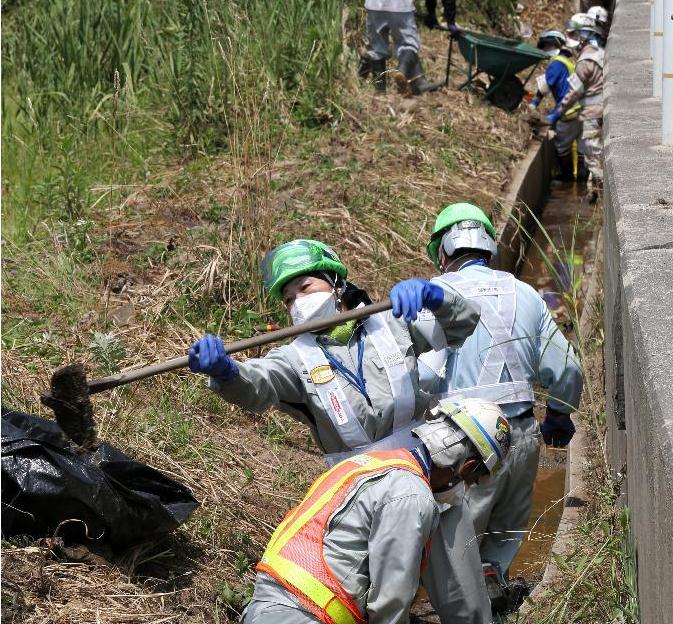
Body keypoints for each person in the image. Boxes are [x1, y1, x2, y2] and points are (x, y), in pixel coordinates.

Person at [189, 239, 489, 623]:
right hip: (362, 499)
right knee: (375, 596)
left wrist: (435, 297)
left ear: (336, 282)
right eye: (288, 297)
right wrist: (225, 371)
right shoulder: (294, 358)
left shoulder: (392, 323)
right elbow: (256, 385)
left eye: (306, 286)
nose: (297, 300)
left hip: (433, 473)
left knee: (463, 596)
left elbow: (462, 325)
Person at [418, 203, 584, 579]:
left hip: (462, 441)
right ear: (489, 247)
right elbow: (567, 365)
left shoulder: (433, 295)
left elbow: (420, 378)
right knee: (504, 538)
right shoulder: (524, 293)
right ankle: (494, 590)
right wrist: (559, 414)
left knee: (455, 549)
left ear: (442, 252)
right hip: (522, 435)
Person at [242, 398, 512, 624]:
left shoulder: (372, 463)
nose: (466, 487)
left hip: (268, 607)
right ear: (467, 467)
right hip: (303, 615)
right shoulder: (414, 496)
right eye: (473, 479)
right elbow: (389, 606)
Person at [547, 13, 605, 191]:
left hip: (592, 113)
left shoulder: (584, 62)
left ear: (584, 36)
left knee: (592, 154)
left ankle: (597, 194)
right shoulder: (600, 54)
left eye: (573, 35)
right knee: (596, 151)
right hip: (604, 109)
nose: (570, 39)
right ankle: (592, 190)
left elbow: (573, 94)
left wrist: (555, 114)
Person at [529, 30, 587, 181]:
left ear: (552, 45)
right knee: (582, 148)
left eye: (546, 46)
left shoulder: (556, 64)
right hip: (582, 110)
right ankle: (582, 181)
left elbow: (545, 86)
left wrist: (533, 104)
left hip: (568, 113)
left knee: (562, 146)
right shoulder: (569, 62)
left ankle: (567, 179)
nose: (545, 50)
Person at [358, 0, 442, 95]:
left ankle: (380, 92)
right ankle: (401, 71)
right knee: (409, 45)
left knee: (377, 50)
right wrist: (431, 11)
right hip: (401, 6)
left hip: (374, 6)